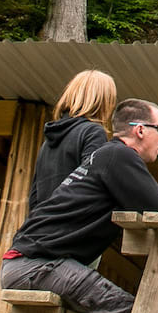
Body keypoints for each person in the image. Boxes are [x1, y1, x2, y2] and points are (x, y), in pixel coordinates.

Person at [0, 98, 158, 313]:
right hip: (36, 264)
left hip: (32, 262)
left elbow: (156, 215)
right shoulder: (119, 156)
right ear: (140, 130)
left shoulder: (111, 157)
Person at [31, 71, 121, 212]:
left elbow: (34, 197)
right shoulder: (92, 132)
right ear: (103, 101)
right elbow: (93, 185)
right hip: (72, 226)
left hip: (45, 225)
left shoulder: (48, 142)